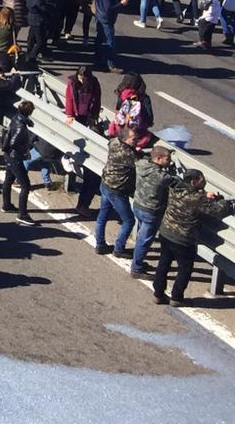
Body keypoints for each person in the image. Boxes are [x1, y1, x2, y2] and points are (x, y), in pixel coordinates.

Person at [153, 171, 235, 305]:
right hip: (183, 239)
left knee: (164, 263)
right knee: (185, 268)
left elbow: (192, 197)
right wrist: (222, 201)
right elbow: (217, 210)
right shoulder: (197, 199)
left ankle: (158, 293)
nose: (203, 180)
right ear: (192, 181)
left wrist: (205, 195)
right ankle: (177, 297)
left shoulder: (175, 187)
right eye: (200, 179)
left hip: (166, 232)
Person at [131, 143, 178, 278]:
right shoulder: (161, 177)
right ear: (158, 159)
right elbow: (176, 181)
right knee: (144, 241)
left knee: (142, 236)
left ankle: (137, 262)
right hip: (151, 211)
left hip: (138, 204)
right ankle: (136, 268)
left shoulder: (141, 164)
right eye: (167, 159)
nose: (169, 162)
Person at [94, 125, 139, 258]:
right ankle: (119, 248)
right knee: (129, 220)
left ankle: (100, 244)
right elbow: (140, 163)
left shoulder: (114, 142)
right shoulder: (127, 154)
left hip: (105, 183)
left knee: (103, 215)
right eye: (134, 139)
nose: (136, 142)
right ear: (125, 139)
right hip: (117, 190)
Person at [0, 99, 37, 224]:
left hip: (9, 156)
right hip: (15, 157)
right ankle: (22, 214)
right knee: (25, 185)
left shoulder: (16, 118)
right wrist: (25, 151)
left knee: (9, 179)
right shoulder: (21, 127)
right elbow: (14, 143)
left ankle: (6, 204)